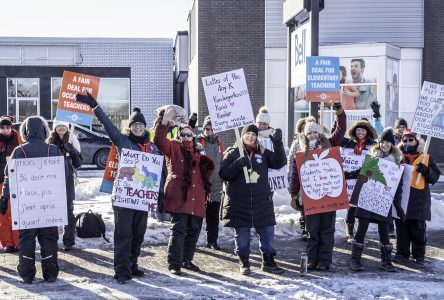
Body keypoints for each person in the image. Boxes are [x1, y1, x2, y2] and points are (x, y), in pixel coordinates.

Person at [76, 92, 163, 284]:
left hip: (142, 199)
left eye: (140, 124)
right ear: (130, 127)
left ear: (144, 127)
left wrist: (160, 196)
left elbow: (158, 173)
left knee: (138, 234)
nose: (138, 127)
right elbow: (107, 125)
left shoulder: (153, 147)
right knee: (124, 234)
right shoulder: (123, 141)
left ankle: (133, 264)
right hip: (124, 198)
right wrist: (95, 106)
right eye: (134, 125)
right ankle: (122, 270)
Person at [1, 116, 62, 283]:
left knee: (26, 239)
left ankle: (27, 274)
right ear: (44, 130)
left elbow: (9, 178)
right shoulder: (53, 150)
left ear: (25, 131)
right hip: (48, 205)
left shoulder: (19, 151)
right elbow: (63, 176)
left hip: (26, 206)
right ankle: (50, 273)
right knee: (49, 239)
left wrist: (4, 198)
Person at [154, 107, 214, 275]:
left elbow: (205, 172)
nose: (186, 137)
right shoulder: (173, 147)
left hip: (196, 197)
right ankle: (174, 263)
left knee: (194, 230)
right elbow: (159, 140)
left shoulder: (198, 151)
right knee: (179, 230)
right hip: (179, 196)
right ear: (178, 136)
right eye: (183, 135)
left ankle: (187, 260)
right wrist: (164, 122)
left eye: (189, 135)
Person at [219, 124, 286, 275]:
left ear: (257, 137)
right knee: (242, 237)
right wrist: (237, 164)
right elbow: (223, 174)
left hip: (262, 202)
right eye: (247, 134)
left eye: (254, 135)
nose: (250, 137)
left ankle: (268, 262)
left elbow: (280, 162)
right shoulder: (233, 153)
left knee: (268, 235)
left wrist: (277, 143)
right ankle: (244, 263)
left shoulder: (262, 153)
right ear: (242, 136)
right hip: (239, 203)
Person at [290, 101, 346, 271]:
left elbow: (341, 130)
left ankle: (324, 260)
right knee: (313, 231)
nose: (313, 135)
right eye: (310, 133)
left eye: (316, 132)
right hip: (311, 197)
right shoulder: (300, 153)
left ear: (320, 133)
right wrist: (294, 195)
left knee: (327, 230)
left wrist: (340, 113)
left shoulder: (329, 144)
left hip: (329, 195)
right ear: (305, 135)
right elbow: (295, 176)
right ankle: (312, 259)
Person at [350, 128, 405, 272]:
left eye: (388, 142)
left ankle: (386, 261)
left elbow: (397, 187)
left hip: (384, 200)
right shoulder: (372, 158)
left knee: (384, 230)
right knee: (362, 229)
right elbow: (361, 174)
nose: (385, 145)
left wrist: (398, 206)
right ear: (379, 143)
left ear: (392, 145)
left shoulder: (396, 164)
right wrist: (348, 175)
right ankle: (355, 260)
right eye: (382, 142)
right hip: (368, 198)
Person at [395, 129, 441, 264]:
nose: (407, 142)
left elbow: (435, 177)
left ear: (416, 141)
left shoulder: (426, 157)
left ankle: (419, 255)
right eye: (405, 140)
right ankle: (402, 253)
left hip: (419, 199)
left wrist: (426, 171)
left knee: (418, 229)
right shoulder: (397, 157)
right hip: (402, 198)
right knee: (401, 228)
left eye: (410, 140)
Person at [341, 119, 378, 244]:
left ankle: (360, 234)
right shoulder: (348, 144)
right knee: (351, 206)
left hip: (365, 180)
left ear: (367, 132)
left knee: (362, 208)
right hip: (350, 180)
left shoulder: (373, 145)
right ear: (354, 131)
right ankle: (349, 231)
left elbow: (374, 163)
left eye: (363, 130)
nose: (360, 132)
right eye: (358, 130)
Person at [48, 120, 82, 251]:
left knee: (68, 211)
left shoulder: (72, 139)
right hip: (53, 182)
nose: (61, 128)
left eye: (64, 126)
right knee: (53, 211)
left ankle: (68, 240)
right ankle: (52, 240)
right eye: (59, 126)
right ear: (55, 128)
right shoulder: (50, 141)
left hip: (67, 182)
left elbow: (79, 164)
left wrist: (72, 151)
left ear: (67, 128)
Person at [198, 116, 224, 250]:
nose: (209, 131)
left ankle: (212, 241)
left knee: (213, 216)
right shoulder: (198, 142)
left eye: (212, 129)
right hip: (202, 185)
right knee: (196, 216)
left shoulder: (220, 144)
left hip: (217, 185)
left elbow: (222, 162)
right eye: (207, 129)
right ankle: (192, 242)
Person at [287, 116, 316, 241]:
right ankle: (304, 229)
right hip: (300, 179)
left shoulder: (319, 143)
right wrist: (290, 177)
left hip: (315, 179)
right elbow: (291, 161)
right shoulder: (296, 144)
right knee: (303, 206)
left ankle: (312, 229)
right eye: (303, 128)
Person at [0, 116, 21, 253]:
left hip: (16, 180)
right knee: (2, 212)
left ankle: (19, 241)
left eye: (8, 127)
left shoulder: (18, 139)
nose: (6, 130)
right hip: (0, 180)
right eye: (2, 127)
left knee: (16, 211)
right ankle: (7, 242)